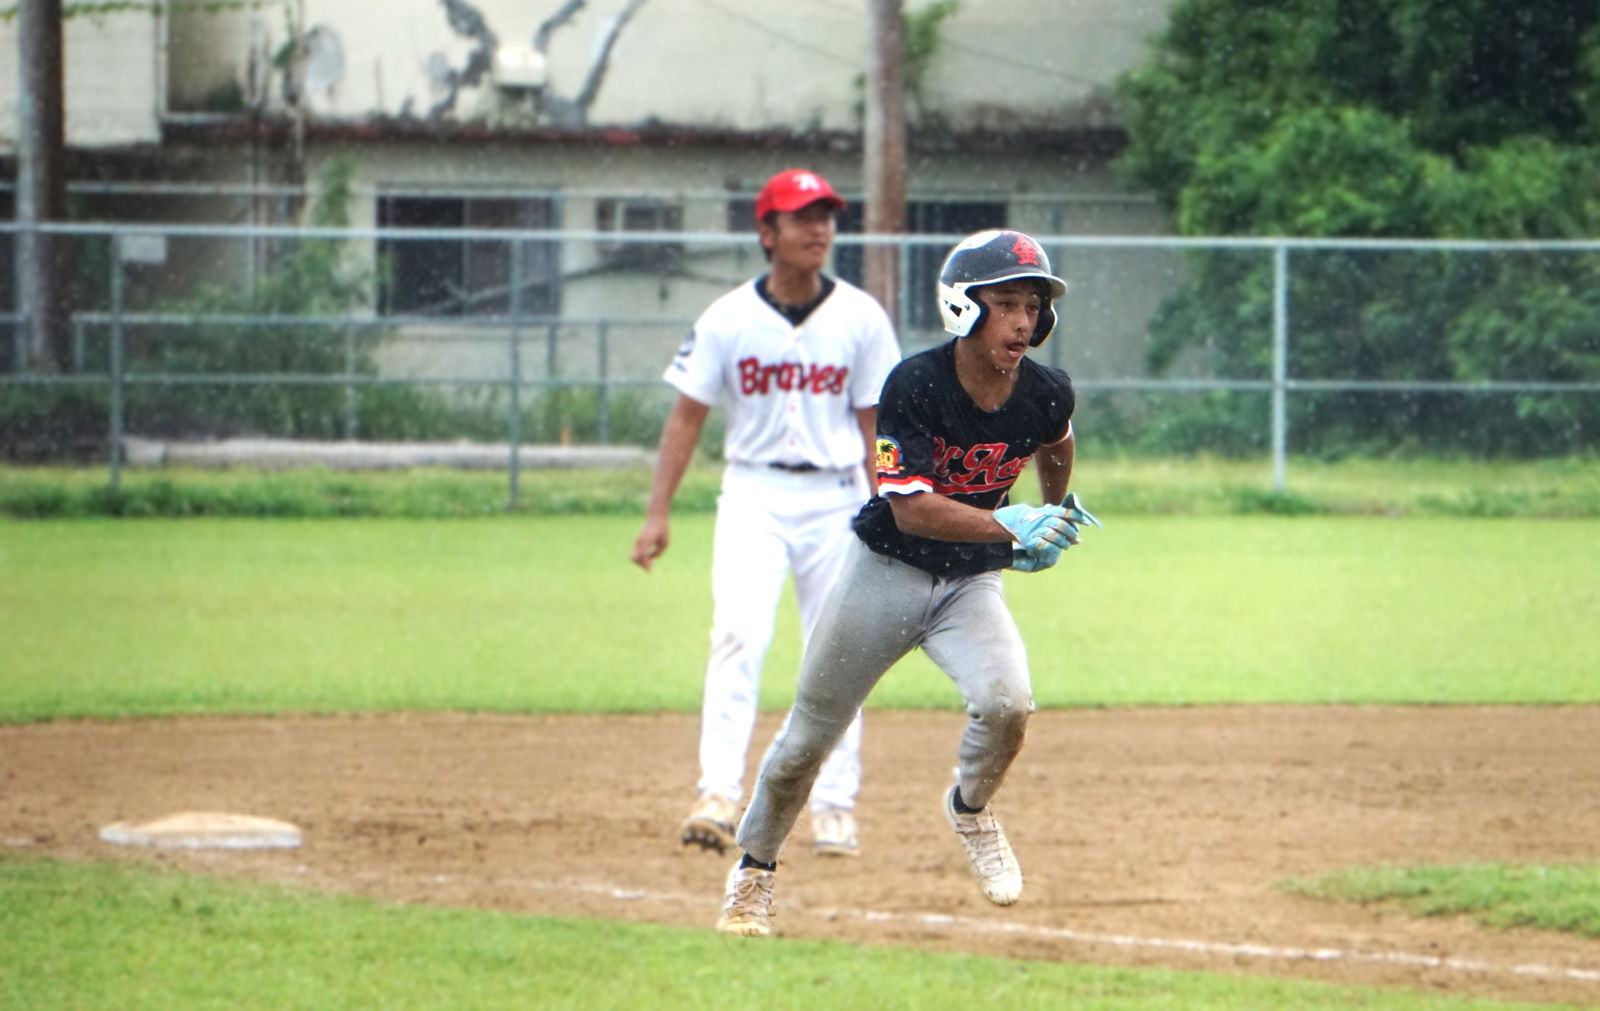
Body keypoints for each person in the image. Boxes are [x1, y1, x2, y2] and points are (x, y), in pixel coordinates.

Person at [714, 228, 1100, 936]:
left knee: (1008, 702)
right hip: (884, 570)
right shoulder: (915, 384)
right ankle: (753, 871)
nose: (1022, 321)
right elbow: (910, 507)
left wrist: (1052, 509)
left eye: (1032, 306)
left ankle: (971, 808)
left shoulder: (1045, 391)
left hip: (970, 583)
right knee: (808, 739)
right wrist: (1012, 526)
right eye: (1005, 303)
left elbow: (1059, 438)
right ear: (963, 308)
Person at [631, 168, 902, 859]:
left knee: (840, 648)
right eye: (801, 216)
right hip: (752, 493)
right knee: (739, 635)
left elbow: (880, 424)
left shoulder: (860, 317)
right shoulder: (727, 318)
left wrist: (892, 507)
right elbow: (686, 417)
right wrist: (657, 513)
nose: (818, 229)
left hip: (838, 496)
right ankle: (718, 793)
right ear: (766, 232)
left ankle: (835, 804)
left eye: (826, 216)